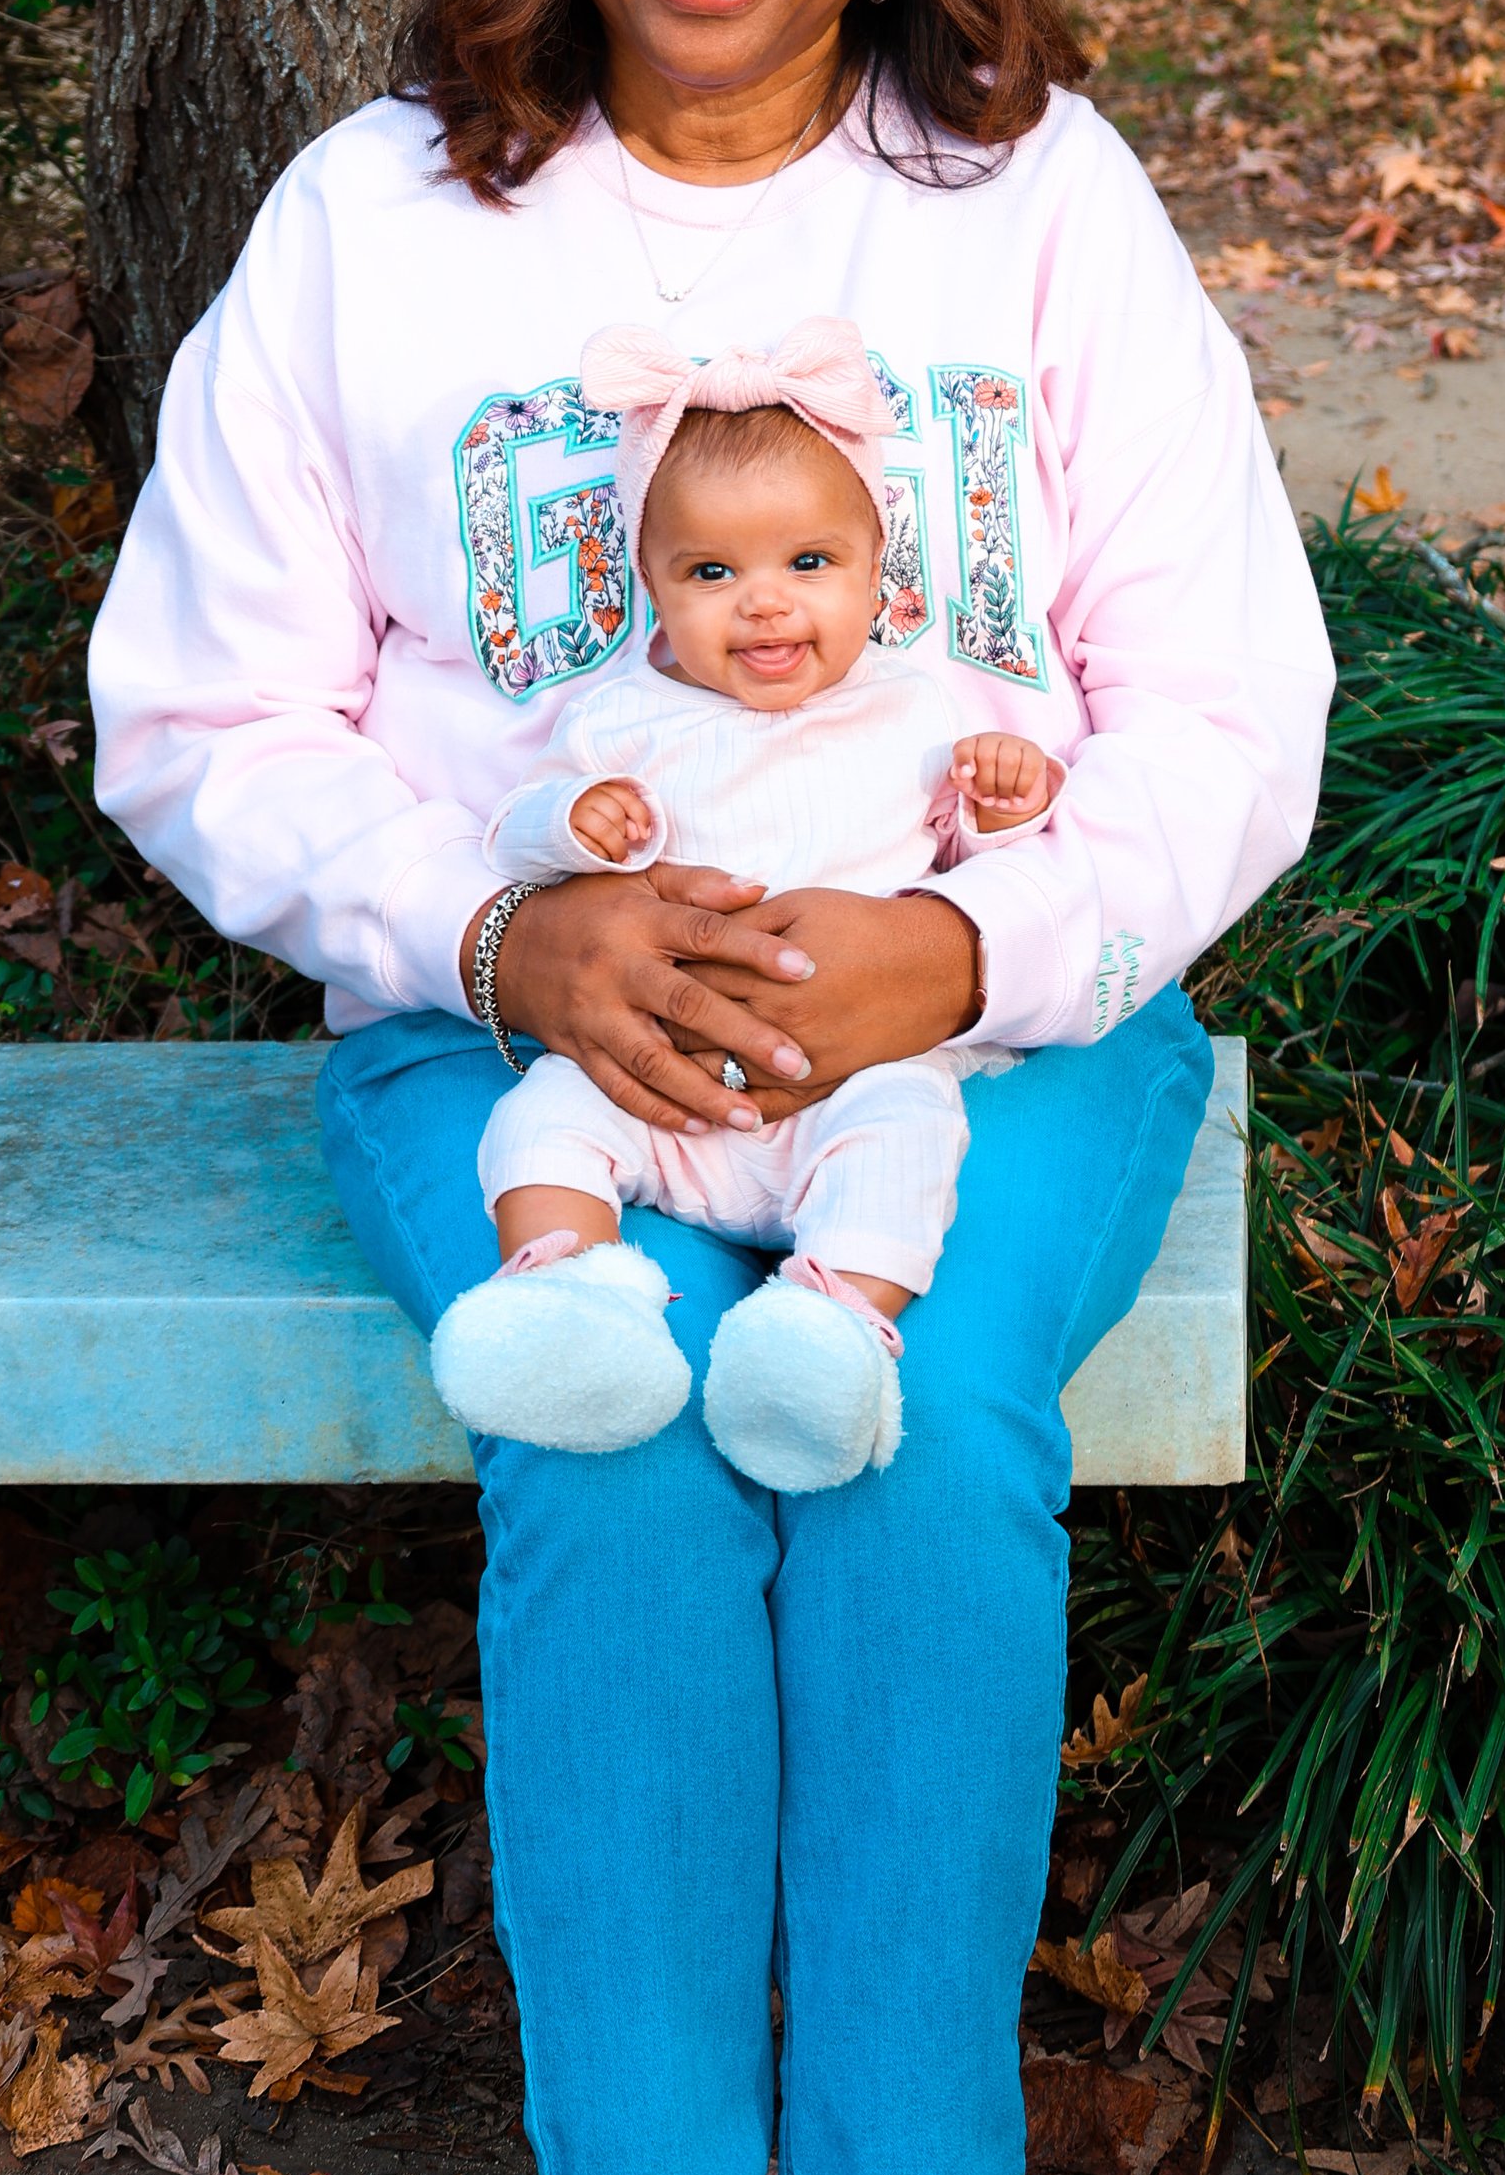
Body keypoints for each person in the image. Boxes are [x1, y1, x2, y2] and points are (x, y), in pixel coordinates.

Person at [89, 0, 1333, 2175]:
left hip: (991, 1032)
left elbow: (1230, 700)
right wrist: (495, 932)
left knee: (908, 1430)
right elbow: (195, 710)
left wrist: (979, 951)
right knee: (615, 1434)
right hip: (524, 1044)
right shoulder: (377, 222)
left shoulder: (1024, 203)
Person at [427, 311, 1066, 1494]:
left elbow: (969, 864)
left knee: (911, 1130)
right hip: (659, 1078)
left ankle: (829, 1325)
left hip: (845, 1074)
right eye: (712, 572)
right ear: (653, 586)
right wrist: (572, 820)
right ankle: (564, 1290)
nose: (764, 604)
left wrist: (1006, 800)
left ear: (879, 569)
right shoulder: (623, 722)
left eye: (808, 564)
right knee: (545, 1111)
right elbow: (511, 838)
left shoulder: (914, 712)